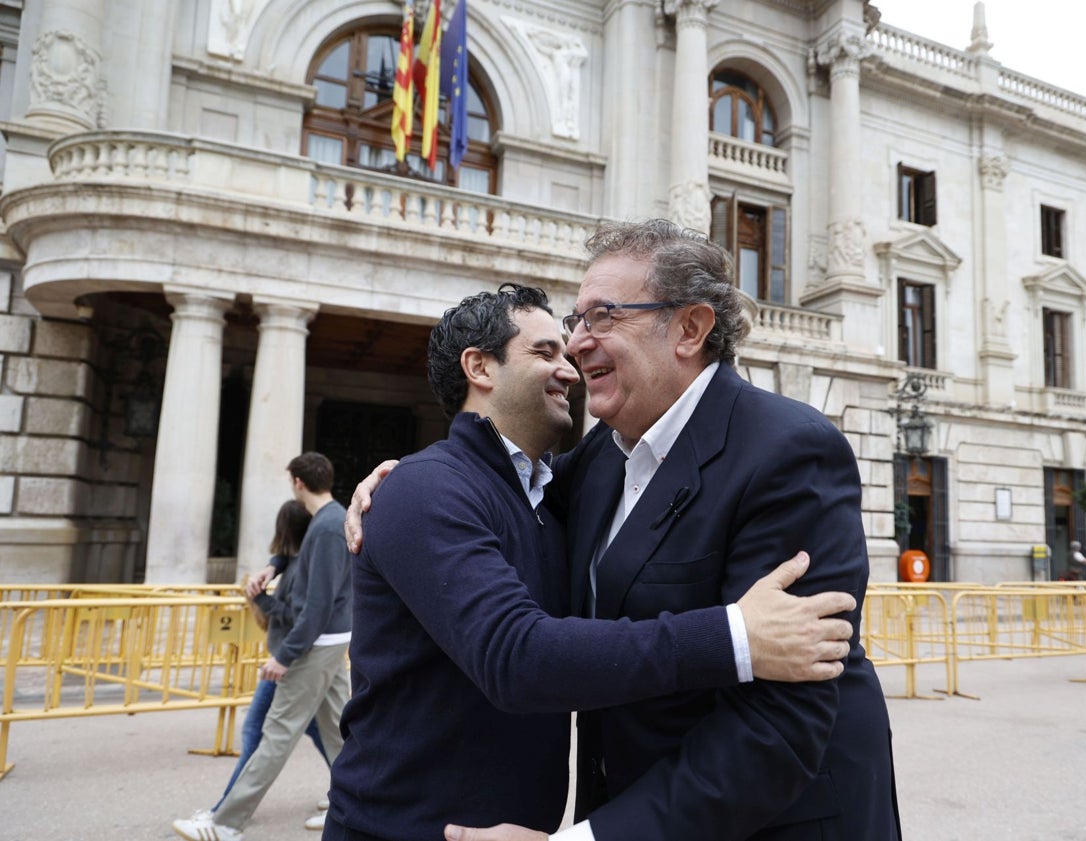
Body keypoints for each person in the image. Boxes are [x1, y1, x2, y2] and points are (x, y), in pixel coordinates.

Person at [352, 220, 901, 841]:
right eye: (573, 324)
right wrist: (402, 480)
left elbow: (780, 725)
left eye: (603, 316)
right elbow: (488, 491)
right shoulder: (603, 457)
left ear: (690, 329)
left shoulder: (789, 450)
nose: (577, 345)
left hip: (774, 822)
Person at [174, 452, 353, 841]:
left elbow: (317, 605)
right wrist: (274, 566)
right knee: (339, 732)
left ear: (298, 483)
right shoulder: (328, 520)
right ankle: (355, 804)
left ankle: (227, 823)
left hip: (315, 644)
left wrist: (284, 656)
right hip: (330, 639)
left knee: (278, 733)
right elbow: (311, 581)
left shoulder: (326, 527)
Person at [213, 500, 329, 815]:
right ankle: (351, 789)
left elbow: (296, 615)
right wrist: (272, 567)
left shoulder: (303, 565)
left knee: (255, 730)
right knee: (322, 730)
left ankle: (227, 809)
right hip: (301, 656)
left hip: (293, 658)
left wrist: (261, 600)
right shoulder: (297, 559)